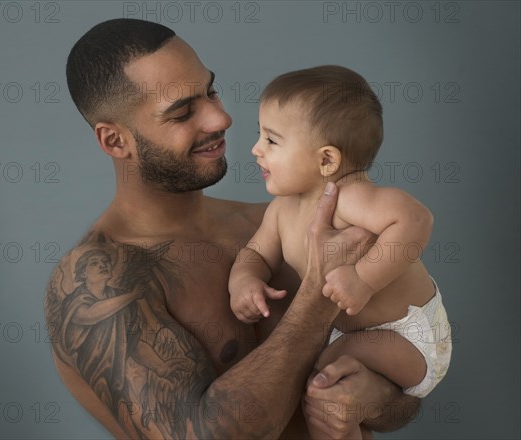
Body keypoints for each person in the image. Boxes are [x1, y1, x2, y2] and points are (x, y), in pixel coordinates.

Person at [44, 19, 420, 439]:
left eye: (210, 91)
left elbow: (406, 393)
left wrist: (372, 395)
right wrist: (317, 297)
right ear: (115, 141)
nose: (220, 118)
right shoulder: (101, 282)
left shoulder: (279, 223)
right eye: (183, 112)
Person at [228, 66, 452, 438]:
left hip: (409, 336)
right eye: (259, 134)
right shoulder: (282, 210)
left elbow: (416, 220)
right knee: (319, 380)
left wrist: (364, 277)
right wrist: (244, 280)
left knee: (318, 379)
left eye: (272, 140)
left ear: (327, 160)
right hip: (351, 336)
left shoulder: (351, 198)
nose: (256, 149)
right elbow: (256, 253)